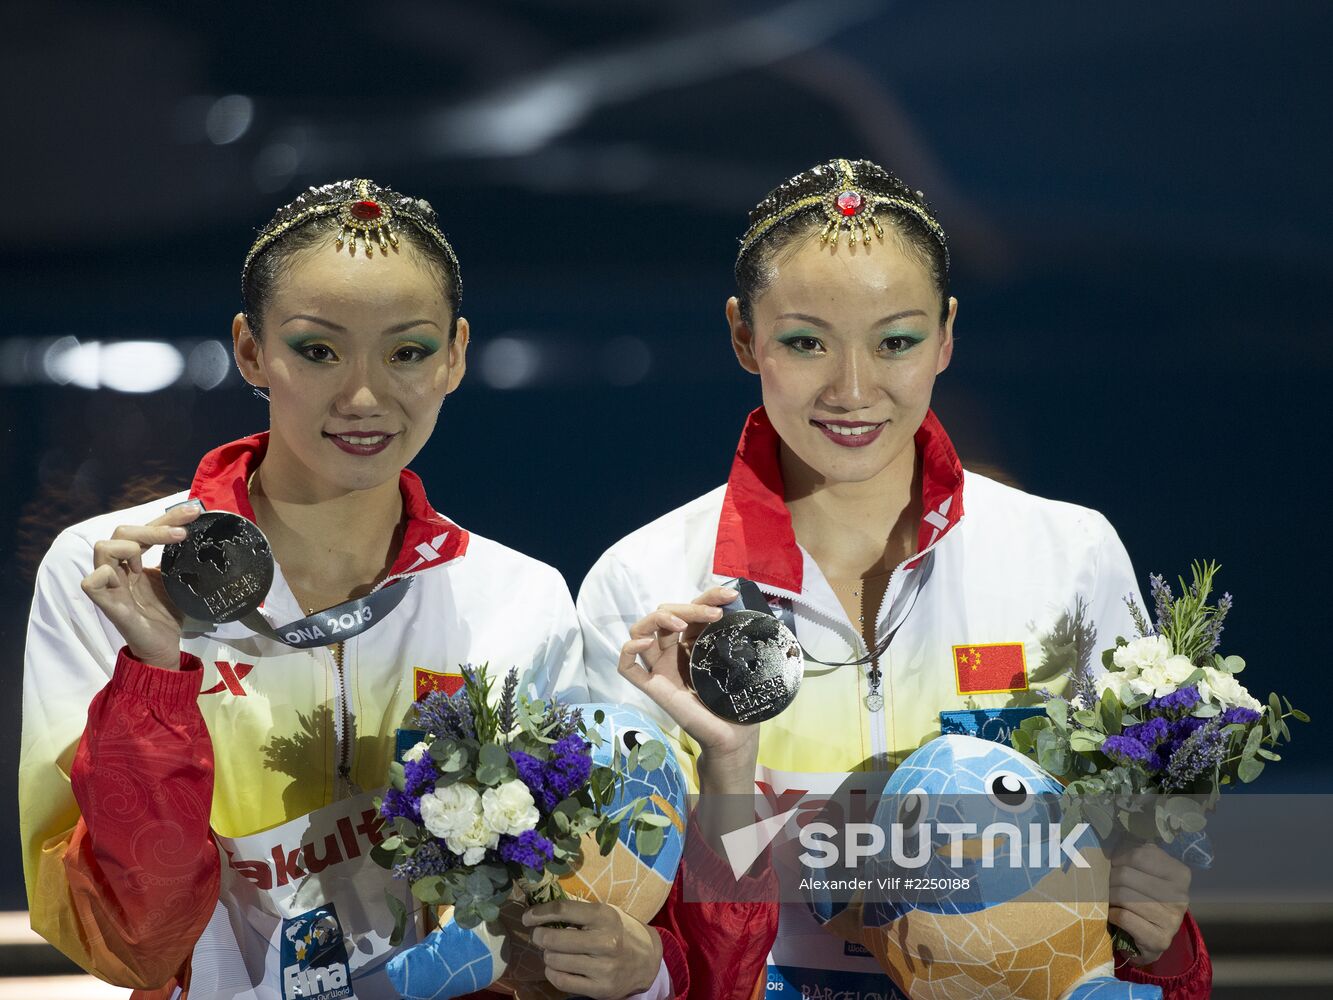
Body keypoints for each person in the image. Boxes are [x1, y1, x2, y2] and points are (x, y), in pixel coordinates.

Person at [20, 179, 772, 1000]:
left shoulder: (518, 598)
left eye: (406, 352)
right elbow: (132, 944)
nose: (364, 397)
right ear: (249, 351)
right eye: (317, 350)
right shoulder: (113, 578)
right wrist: (155, 676)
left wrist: (650, 964)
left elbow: (594, 932)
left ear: (454, 354)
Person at [578, 159, 1211, 1000]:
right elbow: (643, 954)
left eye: (896, 341)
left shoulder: (1068, 555)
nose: (851, 389)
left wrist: (1153, 927)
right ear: (742, 336)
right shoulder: (645, 582)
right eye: (805, 341)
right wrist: (728, 778)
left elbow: (1131, 938)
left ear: (946, 335)